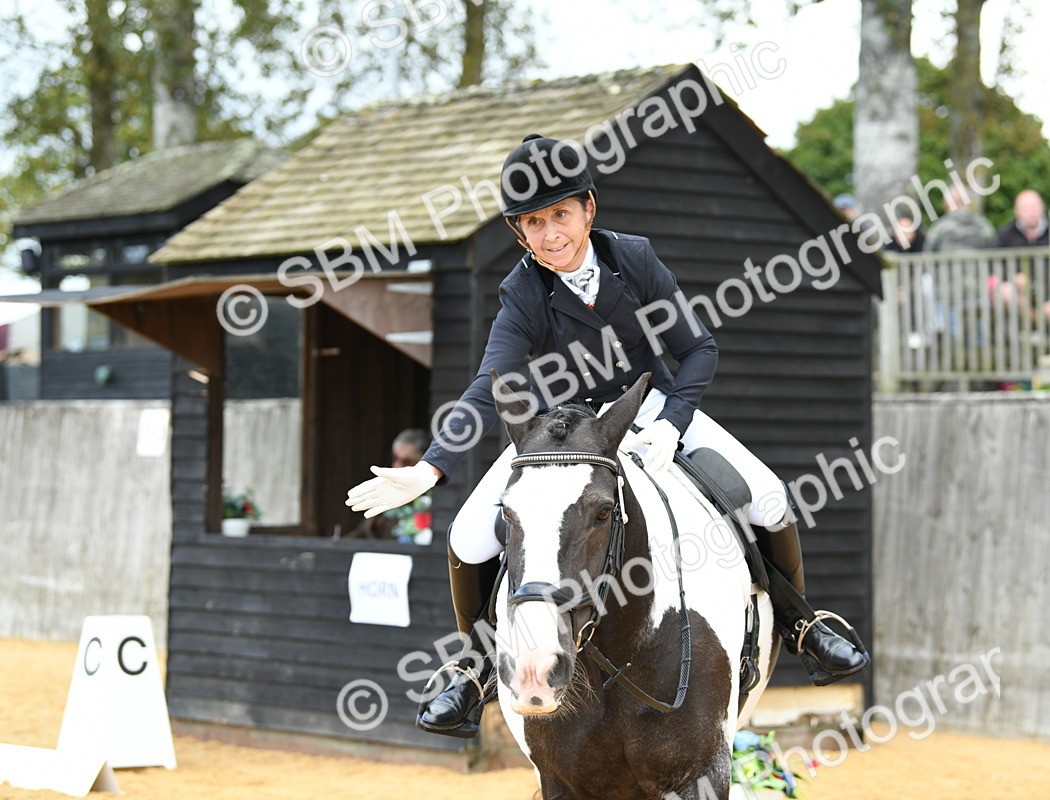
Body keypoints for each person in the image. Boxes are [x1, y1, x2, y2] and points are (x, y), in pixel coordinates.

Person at [346, 134, 870, 739]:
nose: (550, 235)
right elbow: (492, 384)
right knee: (466, 535)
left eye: (560, 215)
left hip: (649, 409)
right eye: (534, 223)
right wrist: (430, 467)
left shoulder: (634, 260)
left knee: (770, 496)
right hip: (561, 433)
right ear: (518, 232)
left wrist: (672, 423)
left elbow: (697, 349)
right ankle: (475, 667)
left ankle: (801, 623)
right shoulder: (522, 292)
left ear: (588, 209)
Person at [345, 429, 434, 541]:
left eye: (406, 461)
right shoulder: (386, 488)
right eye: (395, 458)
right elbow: (361, 532)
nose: (397, 465)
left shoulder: (429, 500)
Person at [923, 184, 996, 253]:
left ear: (947, 203)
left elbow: (928, 254)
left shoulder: (940, 228)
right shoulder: (984, 226)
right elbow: (994, 250)